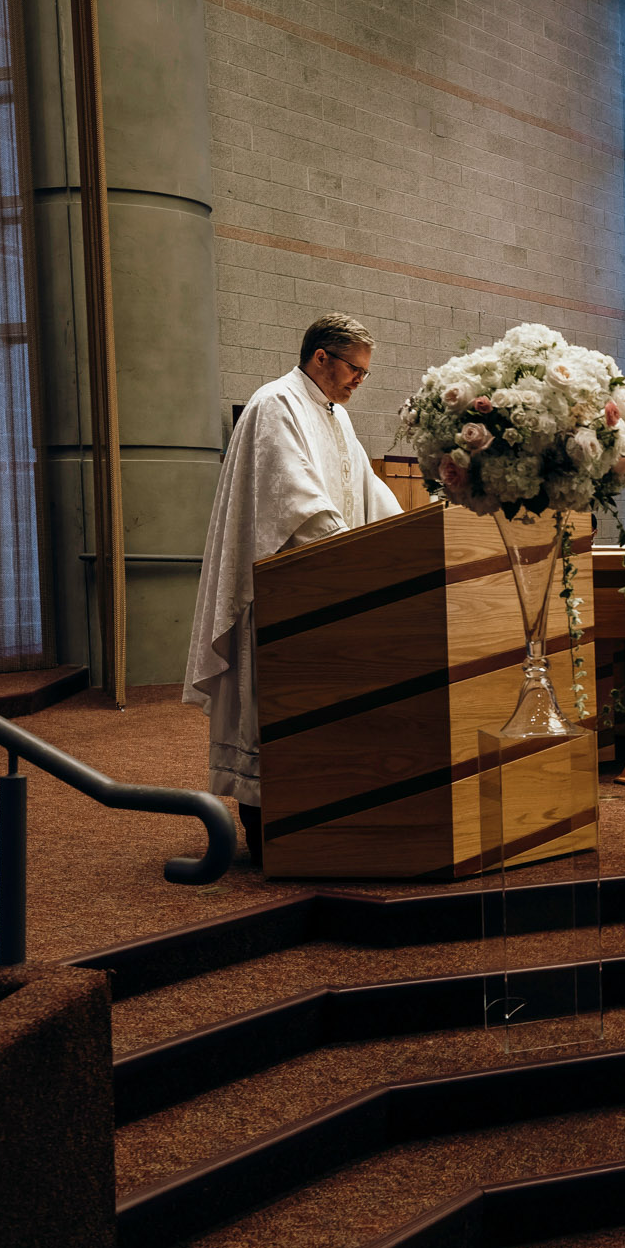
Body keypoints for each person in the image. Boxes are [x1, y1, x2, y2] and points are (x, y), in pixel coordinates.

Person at [184, 314, 404, 862]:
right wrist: (351, 549)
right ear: (321, 357)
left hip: (324, 594)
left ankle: (318, 819)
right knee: (270, 713)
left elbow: (365, 488)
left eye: (365, 374)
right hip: (283, 598)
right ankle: (267, 838)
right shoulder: (275, 404)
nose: (359, 381)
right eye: (354, 369)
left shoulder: (334, 416)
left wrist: (406, 531)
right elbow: (298, 504)